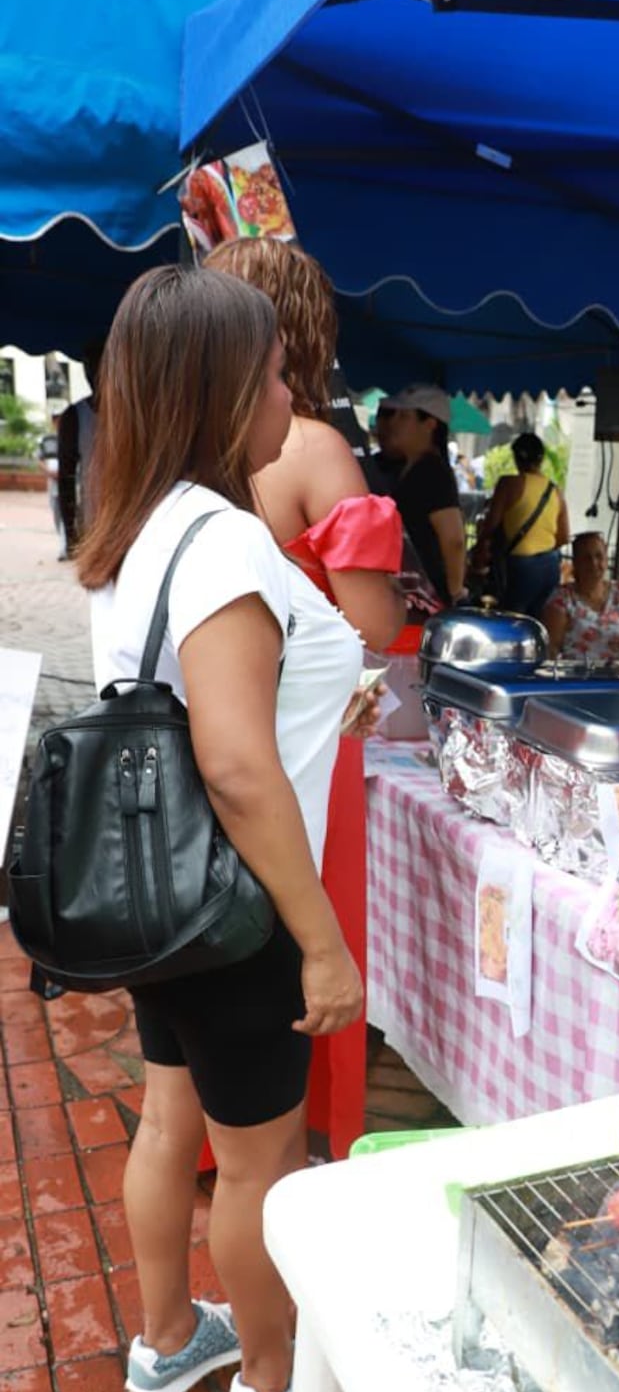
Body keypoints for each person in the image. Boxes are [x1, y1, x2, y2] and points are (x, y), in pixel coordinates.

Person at [76, 264, 364, 1392]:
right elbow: (239, 766)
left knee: (168, 1123)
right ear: (225, 390)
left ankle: (163, 1341)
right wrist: (323, 942)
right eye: (277, 373)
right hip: (239, 906)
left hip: (159, 893)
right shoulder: (229, 543)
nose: (290, 393)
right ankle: (272, 1382)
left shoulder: (136, 534)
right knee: (259, 1166)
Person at [204, 237, 405, 1160]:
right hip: (310, 749)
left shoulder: (183, 454)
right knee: (300, 973)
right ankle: (289, 1160)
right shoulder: (318, 449)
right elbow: (369, 628)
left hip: (211, 734)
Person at [375, 384, 467, 608]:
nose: (393, 423)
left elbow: (454, 539)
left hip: (426, 592)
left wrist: (454, 592)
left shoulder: (433, 472)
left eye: (404, 416)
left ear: (430, 424)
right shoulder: (397, 467)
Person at [473, 431, 569, 616]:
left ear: (516, 457)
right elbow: (564, 536)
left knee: (512, 620)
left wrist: (479, 554)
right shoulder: (555, 490)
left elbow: (490, 526)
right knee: (539, 622)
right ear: (541, 459)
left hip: (520, 566)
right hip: (550, 567)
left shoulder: (508, 484)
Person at [542, 530, 619, 664]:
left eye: (599, 556)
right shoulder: (562, 599)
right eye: (586, 558)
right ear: (576, 563)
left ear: (606, 560)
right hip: (578, 679)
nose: (594, 563)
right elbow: (551, 649)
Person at [58, 335, 105, 560]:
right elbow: (65, 476)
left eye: (99, 364)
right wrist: (70, 530)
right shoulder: (75, 417)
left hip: (135, 520)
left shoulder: (134, 413)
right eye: (88, 366)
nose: (93, 373)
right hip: (95, 523)